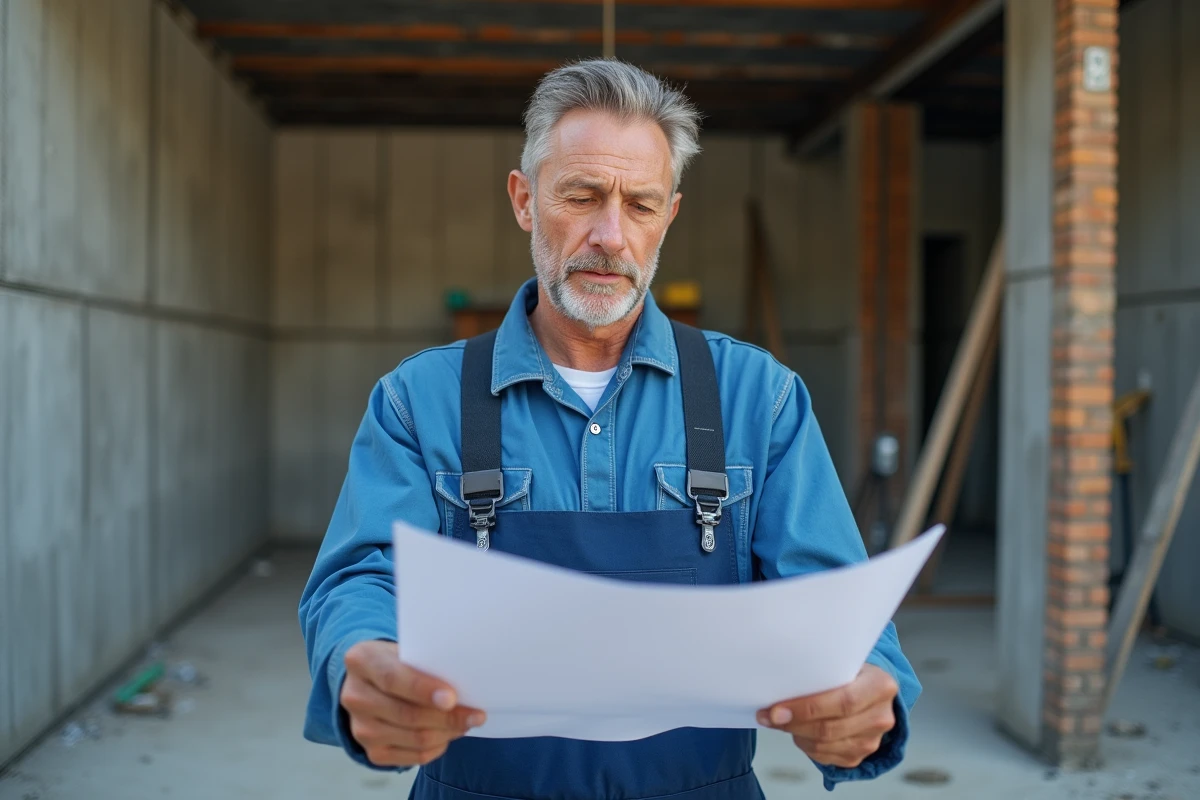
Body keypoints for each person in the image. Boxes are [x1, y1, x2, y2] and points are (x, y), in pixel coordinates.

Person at [299, 58, 920, 799]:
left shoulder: (759, 399)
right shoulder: (416, 400)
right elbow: (361, 578)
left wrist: (869, 686)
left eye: (641, 205)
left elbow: (837, 598)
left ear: (671, 216)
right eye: (582, 196)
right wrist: (360, 657)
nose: (611, 236)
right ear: (525, 200)